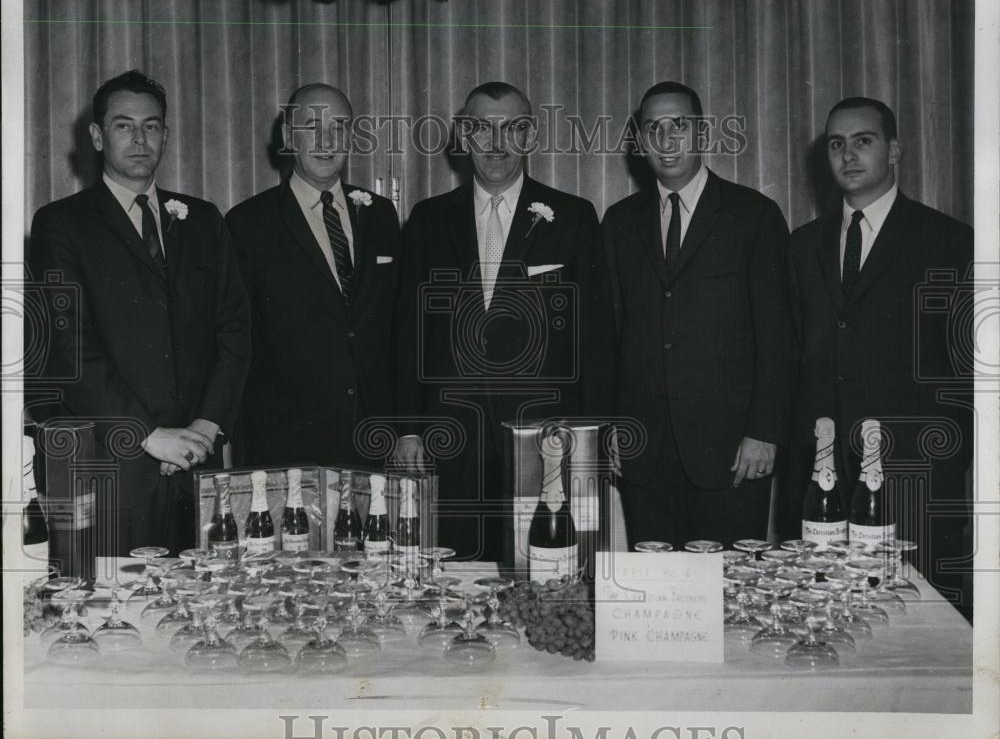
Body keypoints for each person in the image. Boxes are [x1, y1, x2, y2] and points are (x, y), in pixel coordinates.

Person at [28, 70, 251, 555]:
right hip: (110, 468)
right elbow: (72, 349)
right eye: (124, 125)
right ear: (96, 135)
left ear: (166, 135)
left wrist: (204, 430)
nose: (139, 138)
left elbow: (235, 330)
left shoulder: (204, 218)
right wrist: (148, 436)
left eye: (151, 126)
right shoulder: (61, 224)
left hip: (196, 466)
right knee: (111, 618)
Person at [393, 81, 613, 563]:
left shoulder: (573, 217)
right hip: (450, 436)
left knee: (544, 569)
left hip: (546, 438)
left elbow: (594, 338)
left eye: (511, 129)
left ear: (530, 137)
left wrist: (591, 438)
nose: (496, 144)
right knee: (454, 572)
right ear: (463, 138)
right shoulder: (428, 220)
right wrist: (408, 428)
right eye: (481, 129)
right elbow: (409, 333)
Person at [781, 97, 974, 618]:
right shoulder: (801, 247)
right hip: (822, 478)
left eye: (862, 141)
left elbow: (966, 375)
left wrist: (950, 467)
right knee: (824, 619)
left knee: (920, 626)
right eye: (836, 145)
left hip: (914, 473)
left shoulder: (949, 242)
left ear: (894, 150)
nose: (848, 155)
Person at [603, 81, 795, 550]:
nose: (667, 140)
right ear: (640, 141)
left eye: (679, 126)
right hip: (644, 453)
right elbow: (609, 334)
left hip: (732, 451)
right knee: (659, 604)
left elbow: (779, 336)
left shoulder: (754, 215)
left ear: (703, 133)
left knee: (730, 600)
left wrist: (764, 433)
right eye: (654, 128)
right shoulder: (619, 221)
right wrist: (610, 426)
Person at [227, 84, 399, 468]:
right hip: (286, 439)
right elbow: (235, 337)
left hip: (373, 436)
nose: (326, 141)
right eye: (312, 127)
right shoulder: (248, 223)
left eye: (338, 127)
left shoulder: (381, 214)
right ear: (288, 137)